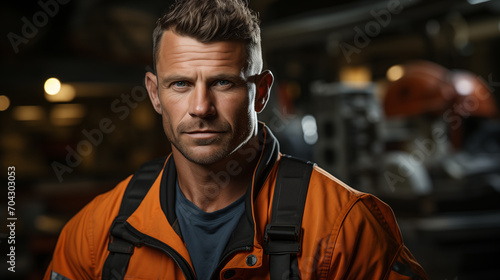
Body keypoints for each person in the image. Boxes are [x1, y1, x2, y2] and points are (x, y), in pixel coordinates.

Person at [44, 0, 428, 279]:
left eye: (222, 82)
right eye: (180, 84)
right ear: (155, 93)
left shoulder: (345, 229)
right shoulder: (95, 234)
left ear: (261, 93)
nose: (200, 107)